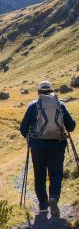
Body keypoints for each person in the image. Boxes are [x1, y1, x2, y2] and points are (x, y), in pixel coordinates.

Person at [20, 80, 76, 216]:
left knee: (40, 175)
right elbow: (72, 127)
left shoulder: (33, 106)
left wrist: (30, 136)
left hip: (37, 146)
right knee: (56, 174)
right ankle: (53, 198)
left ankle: (43, 205)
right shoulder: (60, 104)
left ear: (38, 92)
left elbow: (23, 129)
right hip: (57, 145)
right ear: (52, 91)